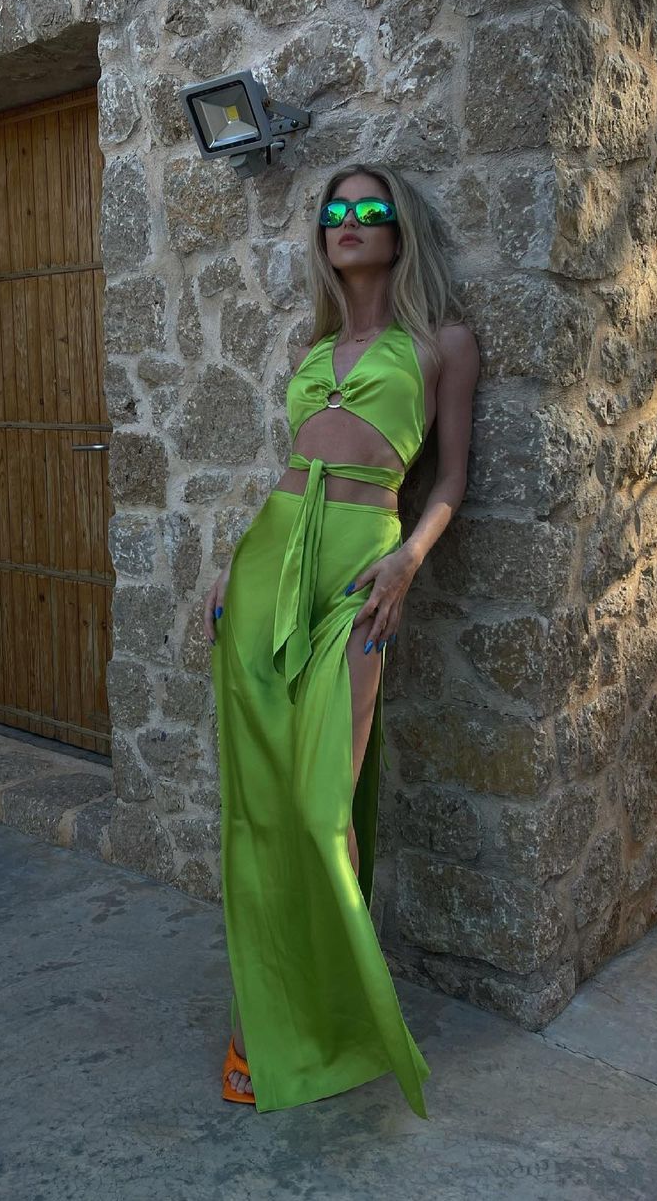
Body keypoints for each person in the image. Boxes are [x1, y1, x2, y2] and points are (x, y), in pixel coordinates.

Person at [203, 161, 479, 1116]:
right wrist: (233, 565)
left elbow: (450, 479)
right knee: (260, 803)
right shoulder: (314, 346)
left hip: (362, 577)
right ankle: (260, 1026)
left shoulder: (443, 344)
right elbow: (290, 470)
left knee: (323, 805)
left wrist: (408, 560)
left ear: (400, 232)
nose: (349, 222)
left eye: (370, 209)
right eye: (336, 212)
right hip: (267, 568)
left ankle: (336, 1020)